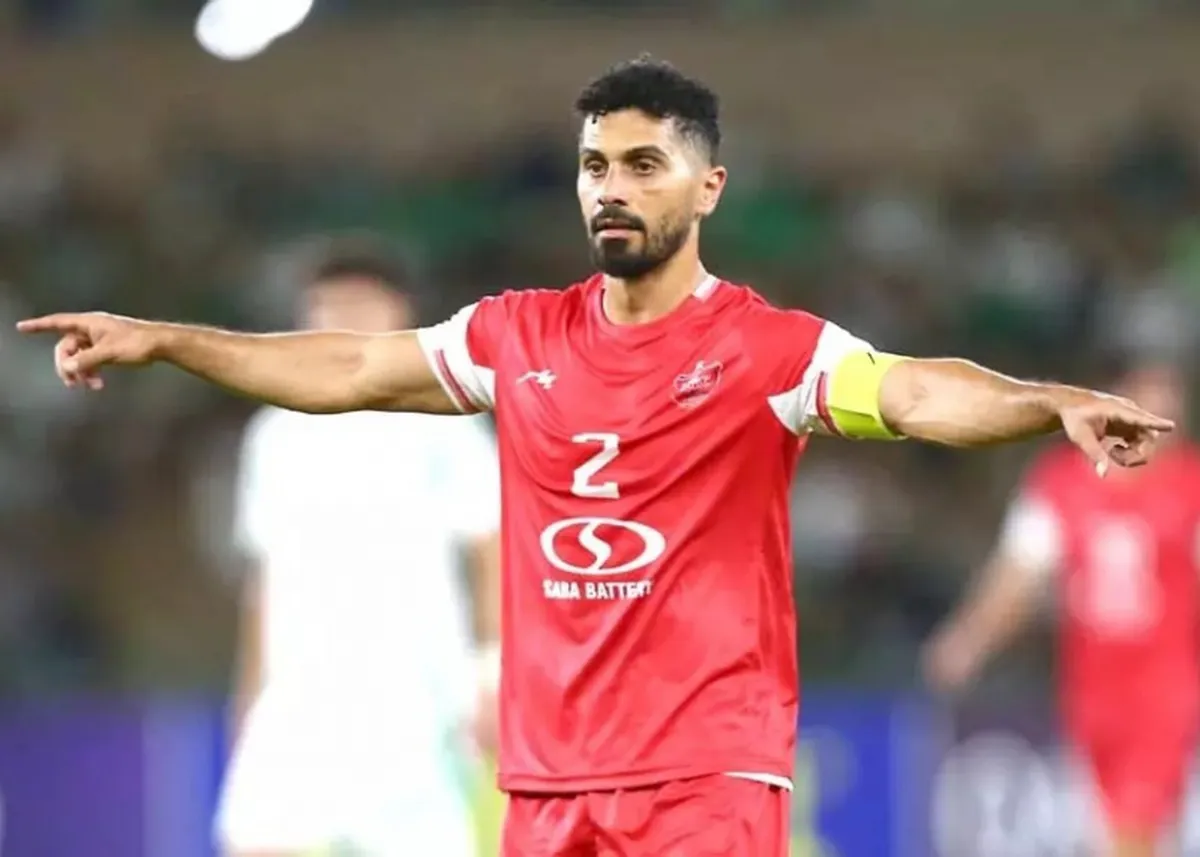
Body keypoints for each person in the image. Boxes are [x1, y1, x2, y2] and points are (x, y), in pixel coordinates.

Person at [17, 57, 1171, 856]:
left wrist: (1044, 403)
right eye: (594, 165)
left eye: (642, 165)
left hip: (704, 773)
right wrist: (167, 338)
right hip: (548, 781)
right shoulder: (514, 336)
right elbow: (352, 368)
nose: (611, 188)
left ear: (708, 187)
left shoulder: (770, 351)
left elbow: (915, 390)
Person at [213, 240, 502, 857]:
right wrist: (247, 700)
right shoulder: (275, 434)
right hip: (300, 696)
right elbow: (266, 579)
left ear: (400, 313)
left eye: (361, 304)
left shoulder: (443, 420)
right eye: (328, 305)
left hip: (414, 699)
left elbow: (492, 551)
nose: (343, 318)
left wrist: (492, 673)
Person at [924, 356, 1199, 857]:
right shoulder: (1061, 485)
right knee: (1109, 831)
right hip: (1088, 690)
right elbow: (1019, 574)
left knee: (1136, 826)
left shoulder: (1190, 486)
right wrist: (969, 639)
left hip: (1164, 690)